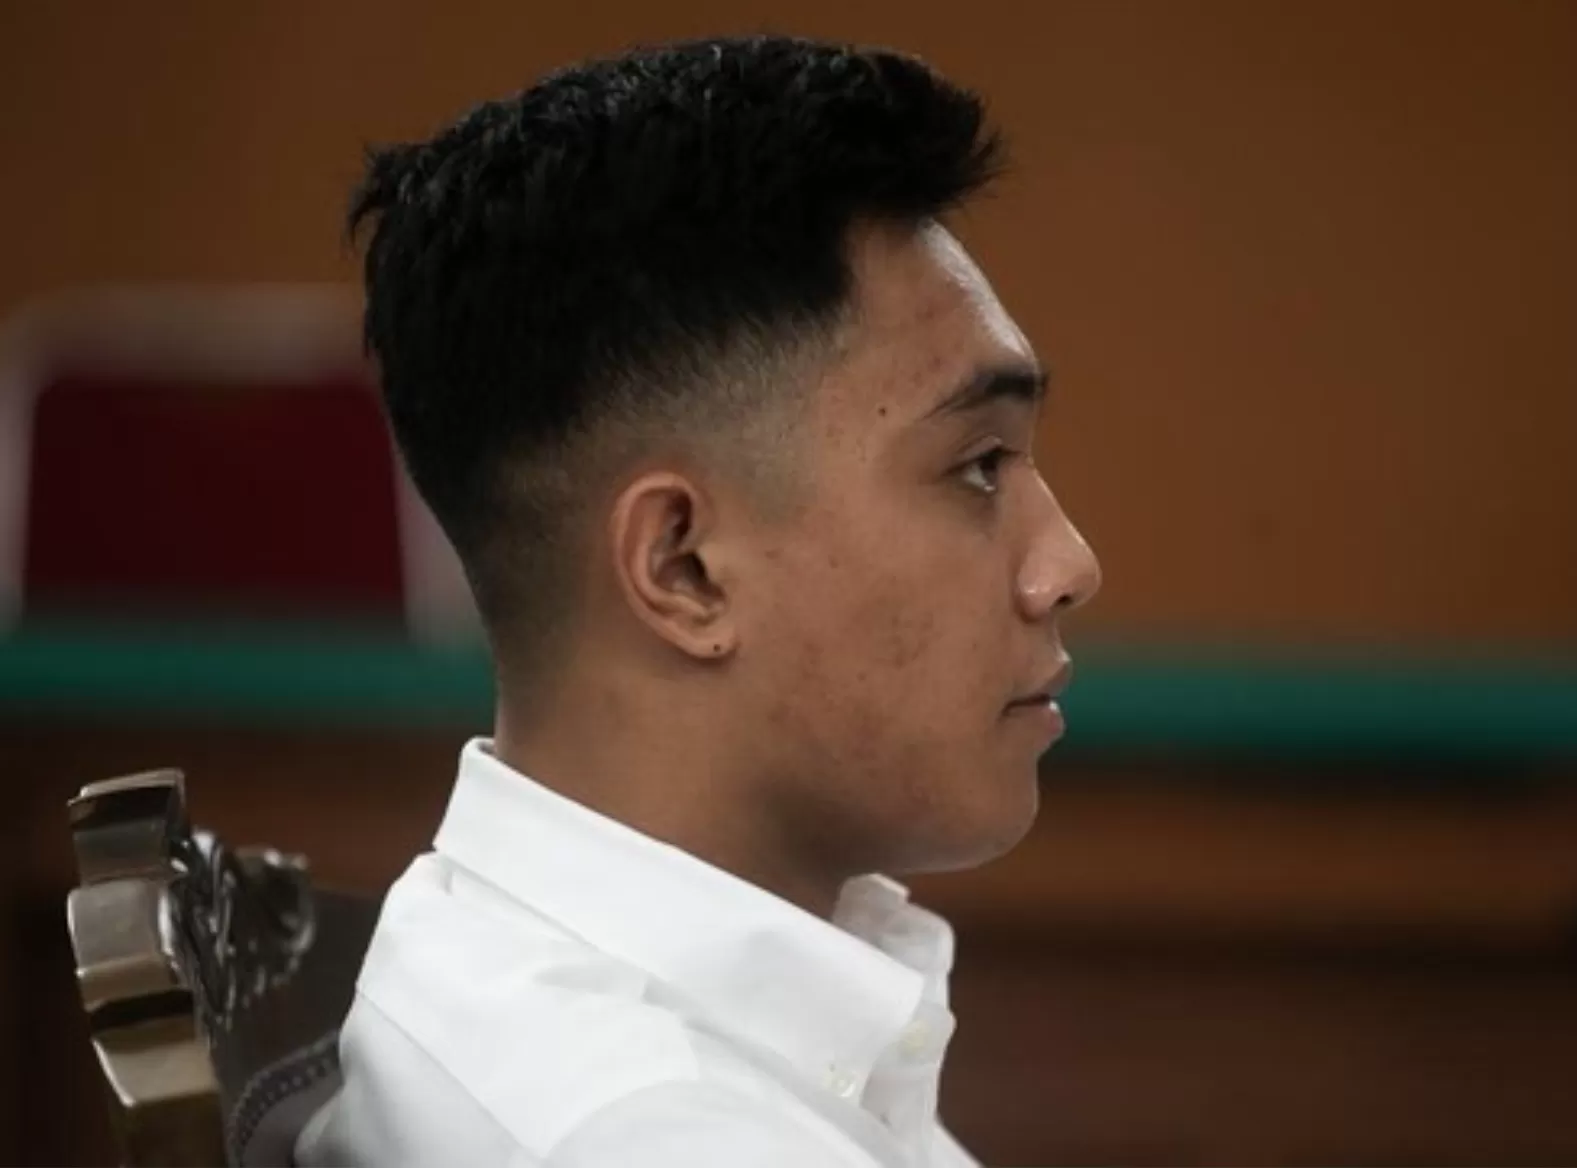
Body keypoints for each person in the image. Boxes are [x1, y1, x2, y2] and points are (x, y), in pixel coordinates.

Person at [296, 34, 1101, 1168]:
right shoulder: (648, 1135)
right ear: (684, 567)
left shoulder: (502, 971)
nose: (1065, 564)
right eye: (980, 466)